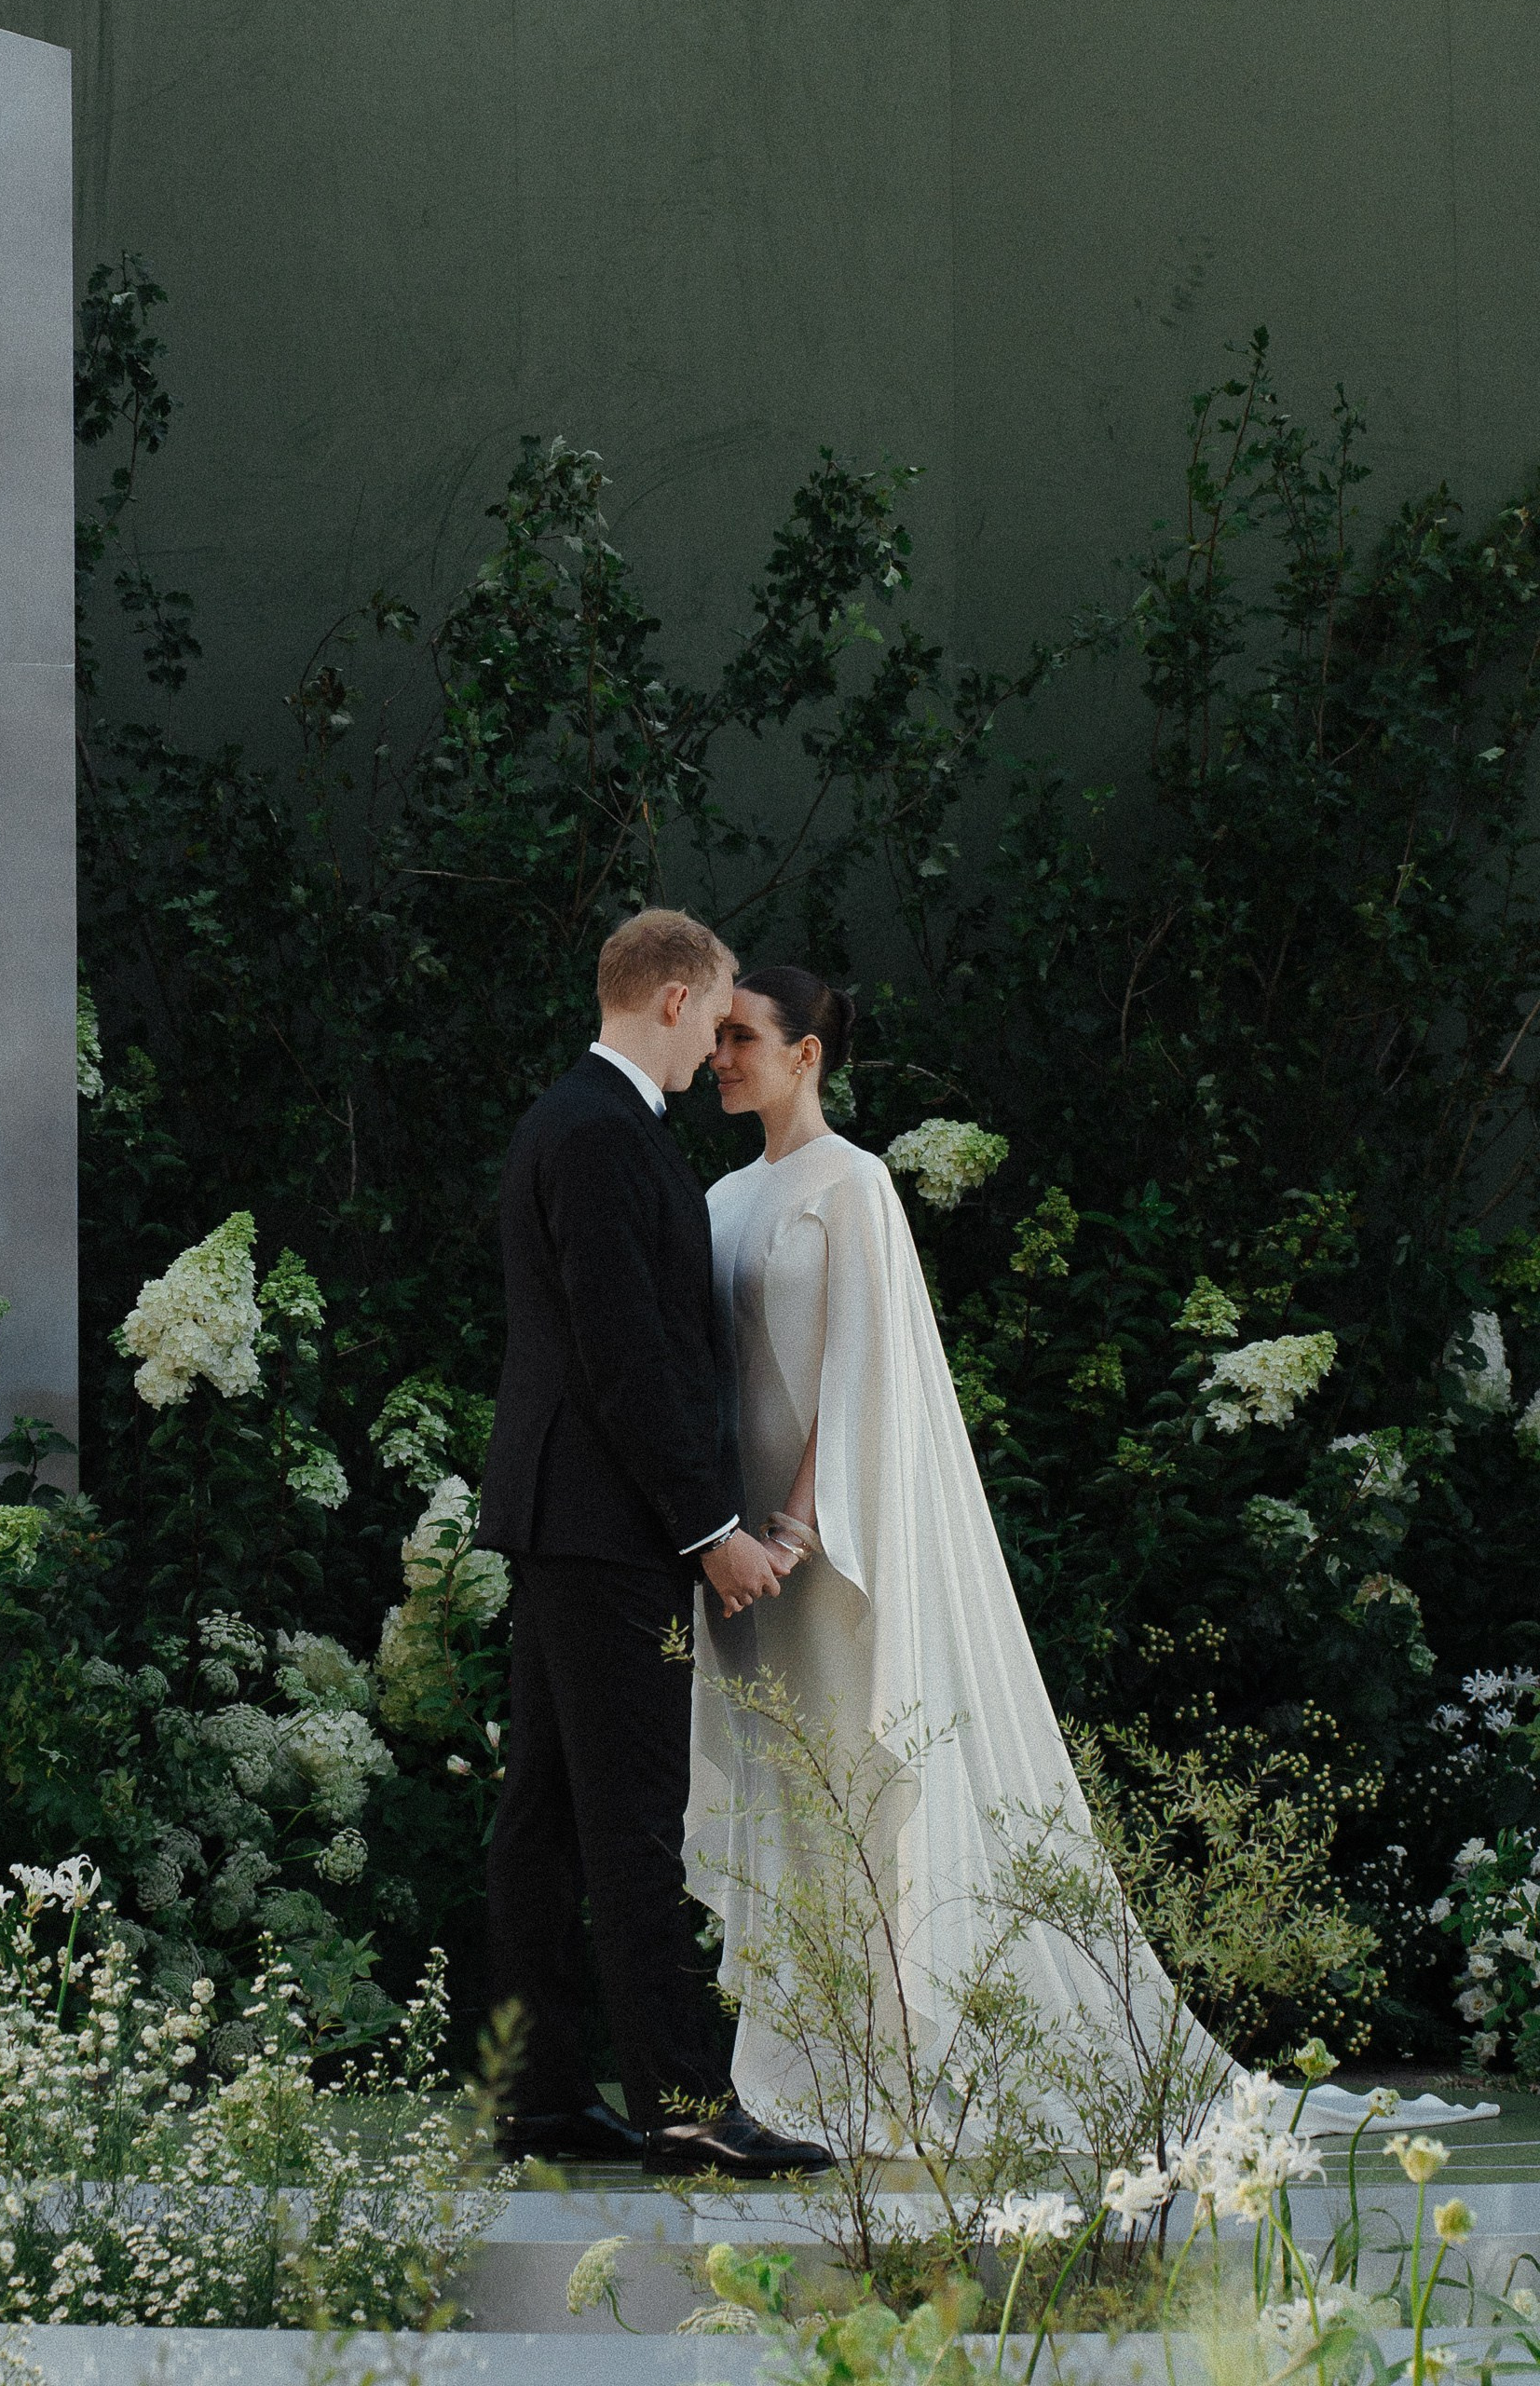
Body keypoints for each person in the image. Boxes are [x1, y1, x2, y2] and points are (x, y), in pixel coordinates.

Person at [688, 965, 1499, 2149]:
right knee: (790, 1784)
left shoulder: (853, 1187)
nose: (720, 1056)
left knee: (862, 1774)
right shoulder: (719, 1196)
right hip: (740, 1556)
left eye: (741, 1037)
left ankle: (911, 2053)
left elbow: (861, 1378)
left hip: (824, 1550)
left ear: (804, 1054)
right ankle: (804, 2059)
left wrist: (796, 1531)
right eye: (713, 1038)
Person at [479, 909, 831, 2176]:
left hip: (571, 1519)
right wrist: (713, 1533)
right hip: (609, 1527)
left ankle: (537, 2098)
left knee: (550, 1816)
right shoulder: (603, 1134)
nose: (718, 1050)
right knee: (631, 1818)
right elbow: (627, 1363)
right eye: (719, 1018)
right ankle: (684, 2102)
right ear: (673, 999)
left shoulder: (583, 1122)